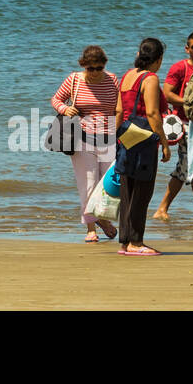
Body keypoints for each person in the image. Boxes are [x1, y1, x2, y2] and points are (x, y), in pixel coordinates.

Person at [49, 45, 120, 242]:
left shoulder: (112, 79)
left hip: (109, 138)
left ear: (104, 65)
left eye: (99, 68)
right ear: (83, 66)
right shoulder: (74, 79)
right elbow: (55, 99)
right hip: (82, 139)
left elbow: (119, 108)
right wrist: (65, 109)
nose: (95, 72)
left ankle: (103, 219)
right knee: (88, 185)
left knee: (109, 185)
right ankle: (91, 228)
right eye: (91, 68)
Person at [114, 38, 170, 255]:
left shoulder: (128, 75)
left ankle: (125, 241)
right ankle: (136, 243)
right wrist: (164, 143)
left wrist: (114, 138)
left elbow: (118, 111)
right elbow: (153, 114)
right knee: (143, 192)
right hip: (144, 140)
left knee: (127, 190)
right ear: (158, 59)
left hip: (125, 138)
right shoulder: (151, 78)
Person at [153, 31, 193, 220]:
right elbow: (167, 94)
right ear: (187, 49)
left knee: (184, 168)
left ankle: (162, 209)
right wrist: (189, 102)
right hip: (184, 125)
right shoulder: (179, 68)